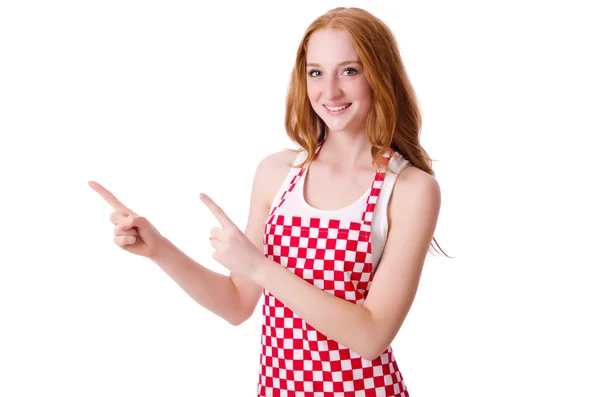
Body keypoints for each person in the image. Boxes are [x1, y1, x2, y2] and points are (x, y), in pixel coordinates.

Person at [90, 6, 444, 397]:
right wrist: (158, 248)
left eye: (349, 70)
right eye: (316, 72)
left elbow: (371, 335)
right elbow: (237, 304)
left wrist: (260, 268)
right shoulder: (278, 173)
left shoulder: (410, 190)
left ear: (379, 75)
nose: (330, 91)